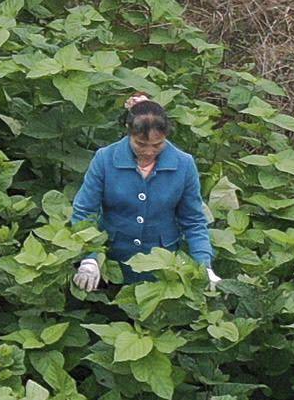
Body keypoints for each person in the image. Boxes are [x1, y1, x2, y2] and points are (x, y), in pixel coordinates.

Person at [70, 91, 212, 293]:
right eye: (141, 144)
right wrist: (90, 258)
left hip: (161, 269)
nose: (148, 152)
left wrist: (204, 265)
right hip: (113, 262)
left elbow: (194, 220)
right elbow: (84, 212)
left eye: (157, 145)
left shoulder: (184, 164)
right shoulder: (105, 159)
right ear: (129, 133)